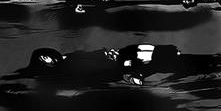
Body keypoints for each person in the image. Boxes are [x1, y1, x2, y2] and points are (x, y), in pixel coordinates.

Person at [24, 43, 180, 86]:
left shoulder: (65, 58)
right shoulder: (64, 69)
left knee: (134, 51)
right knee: (135, 57)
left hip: (111, 60)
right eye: (44, 59)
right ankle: (167, 55)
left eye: (46, 56)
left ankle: (168, 53)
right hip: (113, 66)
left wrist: (106, 53)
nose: (48, 58)